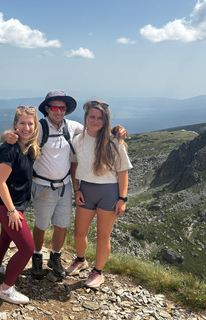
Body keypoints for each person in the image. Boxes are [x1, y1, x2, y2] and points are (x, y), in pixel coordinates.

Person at [1, 90, 127, 281]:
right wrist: (5, 136)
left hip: (65, 187)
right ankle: (37, 256)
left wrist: (117, 131)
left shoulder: (72, 126)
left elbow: (95, 131)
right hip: (43, 186)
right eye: (54, 107)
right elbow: (20, 134)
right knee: (41, 225)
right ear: (47, 109)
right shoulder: (40, 128)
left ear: (66, 110)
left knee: (62, 226)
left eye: (62, 107)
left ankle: (55, 257)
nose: (58, 111)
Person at [67, 100, 132, 288]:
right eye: (92, 117)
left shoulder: (114, 141)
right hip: (85, 190)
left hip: (109, 193)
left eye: (100, 118)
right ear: (86, 118)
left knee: (103, 236)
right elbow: (74, 166)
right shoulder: (78, 140)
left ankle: (98, 272)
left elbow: (122, 171)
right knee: (79, 233)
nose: (95, 121)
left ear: (106, 120)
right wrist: (77, 189)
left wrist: (122, 198)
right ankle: (81, 259)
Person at [0, 106, 40, 304]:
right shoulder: (10, 149)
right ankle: (6, 289)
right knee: (27, 248)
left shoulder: (27, 148)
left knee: (6, 236)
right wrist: (12, 211)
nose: (27, 127)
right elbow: (0, 181)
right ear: (15, 125)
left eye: (30, 123)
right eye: (22, 123)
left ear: (35, 126)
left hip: (13, 204)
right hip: (8, 205)